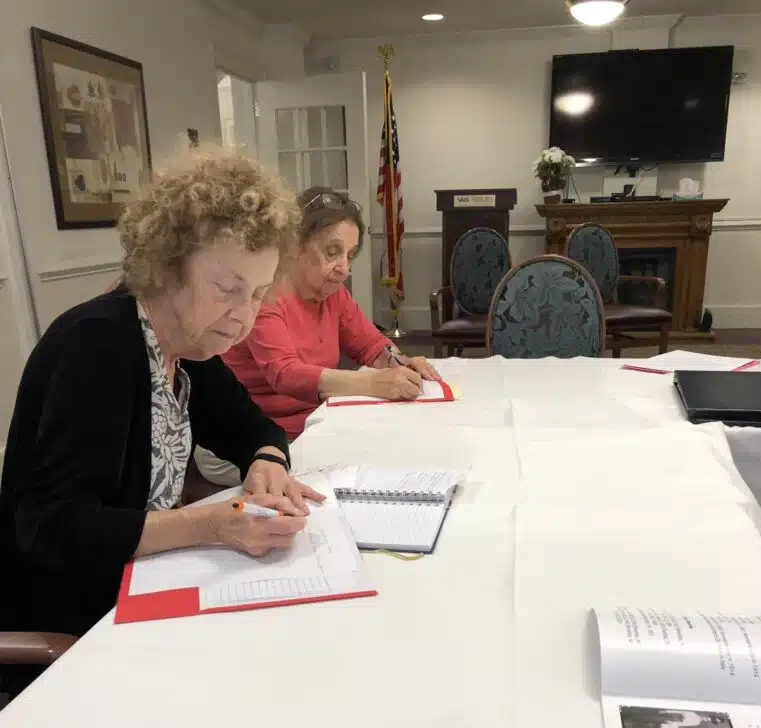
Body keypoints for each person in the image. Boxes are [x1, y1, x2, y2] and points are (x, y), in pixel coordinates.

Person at [0, 148, 323, 643]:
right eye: (226, 288)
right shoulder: (98, 344)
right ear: (169, 269)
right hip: (78, 622)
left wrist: (269, 460)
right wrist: (210, 525)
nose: (244, 315)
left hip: (146, 586)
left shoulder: (190, 346)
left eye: (258, 294)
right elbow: (50, 528)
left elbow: (253, 427)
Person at [196, 186, 440, 485]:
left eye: (350, 255)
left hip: (306, 426)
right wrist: (374, 382)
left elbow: (370, 344)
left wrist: (399, 360)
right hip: (246, 442)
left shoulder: (332, 294)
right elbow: (284, 374)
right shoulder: (265, 294)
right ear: (296, 245)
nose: (344, 268)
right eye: (332, 252)